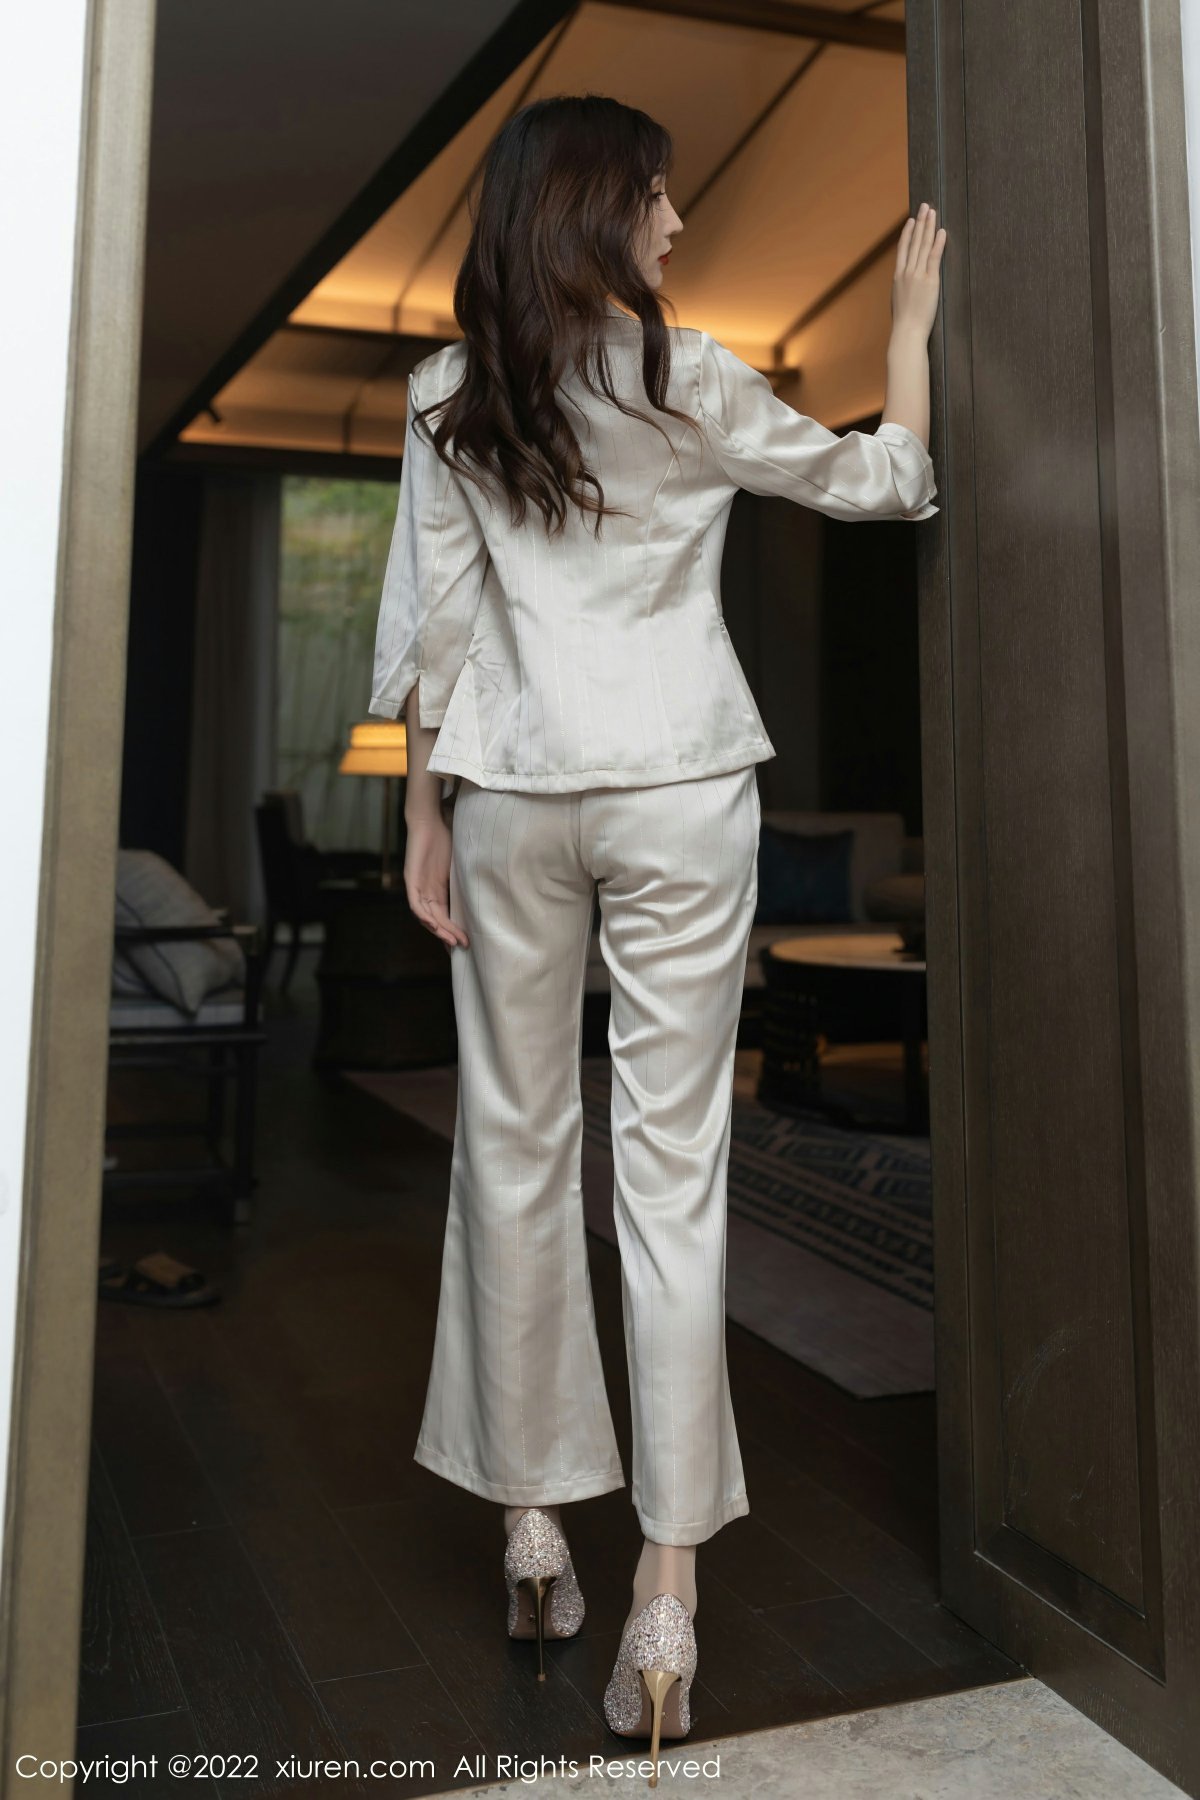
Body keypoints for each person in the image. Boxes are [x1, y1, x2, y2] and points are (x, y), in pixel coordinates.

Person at [368, 91, 945, 1776]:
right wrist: (907, 341)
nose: (678, 225)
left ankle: (533, 1521)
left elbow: (439, 627)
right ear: (595, 206)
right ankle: (668, 1593)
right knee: (673, 1179)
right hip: (683, 785)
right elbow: (885, 482)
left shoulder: (449, 393)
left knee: (512, 1148)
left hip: (511, 793)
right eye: (659, 196)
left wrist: (423, 818)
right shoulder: (687, 377)